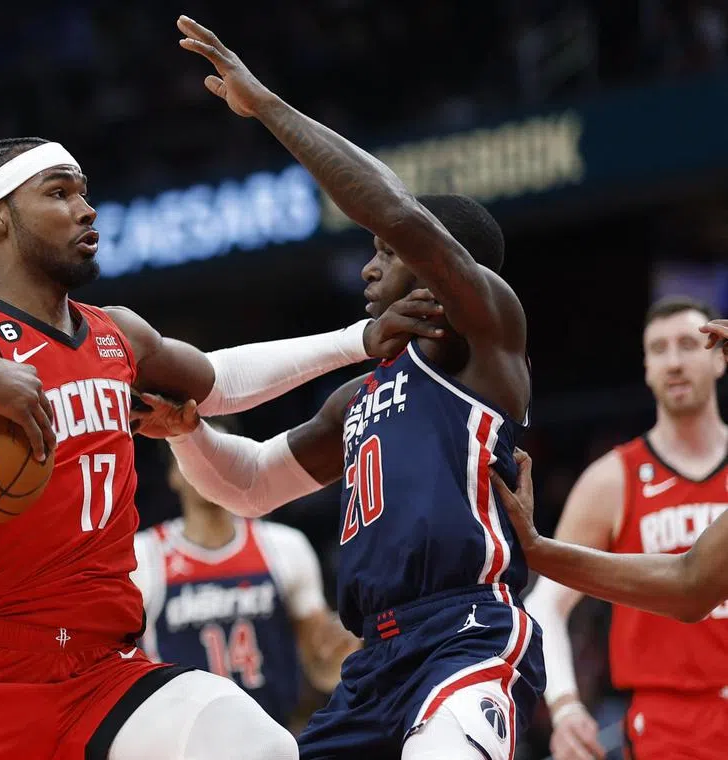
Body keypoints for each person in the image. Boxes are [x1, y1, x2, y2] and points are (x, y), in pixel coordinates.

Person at [0, 137, 444, 760]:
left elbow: (218, 383)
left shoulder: (119, 333)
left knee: (258, 746)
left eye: (85, 192)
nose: (86, 209)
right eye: (59, 193)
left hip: (105, 670)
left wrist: (360, 339)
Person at [146, 16, 548, 760]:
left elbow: (394, 207)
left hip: (466, 635)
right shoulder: (361, 396)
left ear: (439, 270)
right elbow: (254, 485)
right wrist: (189, 434)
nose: (369, 269)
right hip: (373, 663)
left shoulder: (485, 341)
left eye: (385, 255)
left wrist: (266, 106)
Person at [490, 307, 728, 760]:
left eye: (688, 344)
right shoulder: (614, 478)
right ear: (646, 369)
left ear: (720, 358)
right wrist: (564, 706)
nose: (674, 361)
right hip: (670, 724)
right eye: (658, 349)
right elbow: (545, 602)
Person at [131, 417, 360, 729]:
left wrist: (339, 651)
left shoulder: (283, 546)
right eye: (191, 455)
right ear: (173, 474)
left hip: (272, 734)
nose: (204, 465)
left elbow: (322, 672)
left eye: (215, 454)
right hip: (181, 742)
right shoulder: (143, 555)